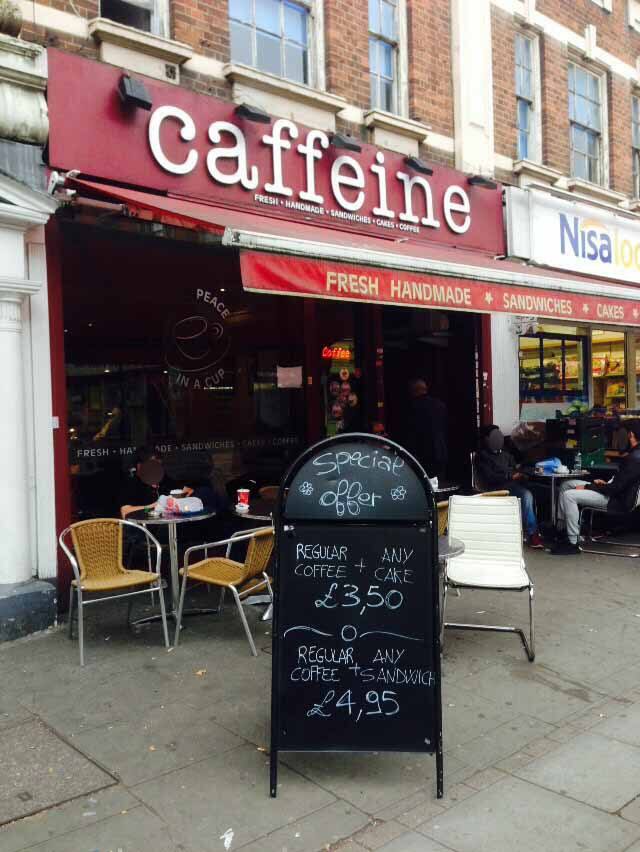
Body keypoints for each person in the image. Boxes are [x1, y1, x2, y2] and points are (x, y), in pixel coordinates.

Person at [551, 419, 640, 555]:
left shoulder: (634, 459)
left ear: (631, 435)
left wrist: (589, 486)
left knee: (569, 495)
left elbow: (615, 489)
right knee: (566, 485)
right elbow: (620, 484)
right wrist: (603, 484)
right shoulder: (635, 455)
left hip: (616, 500)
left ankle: (572, 542)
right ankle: (562, 529)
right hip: (615, 492)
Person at [475, 425, 544, 549]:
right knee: (526, 495)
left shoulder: (506, 455)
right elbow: (489, 477)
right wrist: (510, 476)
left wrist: (526, 472)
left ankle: (542, 529)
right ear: (487, 439)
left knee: (540, 490)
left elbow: (515, 469)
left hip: (512, 484)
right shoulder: (482, 457)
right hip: (496, 487)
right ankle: (532, 534)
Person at [119, 445, 193, 519]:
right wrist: (152, 506)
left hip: (166, 523)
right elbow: (125, 511)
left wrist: (173, 500)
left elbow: (188, 491)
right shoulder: (131, 483)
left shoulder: (163, 478)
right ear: (139, 466)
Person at [402, 378, 448, 477]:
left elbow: (410, 432)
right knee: (438, 481)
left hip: (421, 453)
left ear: (414, 391)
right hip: (440, 450)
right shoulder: (440, 405)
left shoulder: (412, 407)